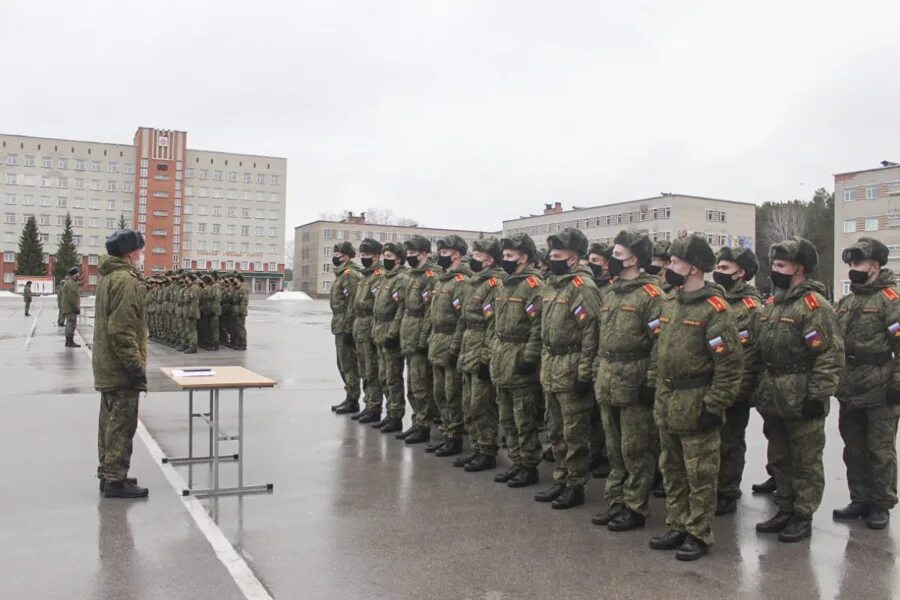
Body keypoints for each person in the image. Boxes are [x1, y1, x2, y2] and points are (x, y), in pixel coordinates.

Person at [650, 234, 742, 561]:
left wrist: (715, 404)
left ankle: (699, 533)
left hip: (697, 400)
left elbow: (729, 364)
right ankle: (676, 524)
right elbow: (658, 351)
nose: (669, 268)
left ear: (693, 269)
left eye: (675, 263)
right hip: (668, 399)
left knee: (700, 473)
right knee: (672, 468)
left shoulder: (714, 309)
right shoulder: (670, 303)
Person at [755, 237, 843, 543]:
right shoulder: (771, 305)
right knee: (779, 456)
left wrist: (818, 396)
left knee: (805, 460)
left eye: (781, 265)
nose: (774, 271)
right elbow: (758, 349)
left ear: (800, 269)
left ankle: (802, 515)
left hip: (802, 393)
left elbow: (829, 355)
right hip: (774, 394)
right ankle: (785, 507)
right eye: (773, 264)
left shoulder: (814, 307)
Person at [592, 230, 662, 532]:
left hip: (634, 378)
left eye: (618, 255)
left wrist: (651, 381)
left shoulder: (650, 295)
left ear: (634, 259)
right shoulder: (609, 292)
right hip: (608, 377)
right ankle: (617, 500)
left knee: (636, 449)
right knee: (614, 447)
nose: (612, 260)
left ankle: (635, 506)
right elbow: (600, 339)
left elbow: (659, 343)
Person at [834, 237, 900, 530]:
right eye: (850, 264)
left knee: (880, 451)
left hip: (881, 387)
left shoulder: (891, 300)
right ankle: (859, 498)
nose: (852, 269)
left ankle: (881, 504)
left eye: (857, 263)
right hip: (850, 387)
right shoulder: (847, 302)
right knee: (854, 448)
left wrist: (897, 382)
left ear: (874, 266)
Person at [535, 228, 601, 510]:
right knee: (556, 430)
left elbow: (591, 333)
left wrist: (585, 373)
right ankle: (561, 478)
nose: (552, 259)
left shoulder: (581, 288)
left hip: (571, 365)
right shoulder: (552, 286)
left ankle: (575, 484)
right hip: (552, 365)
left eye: (558, 255)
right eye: (550, 255)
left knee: (574, 433)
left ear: (574, 258)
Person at [93, 228, 149, 498]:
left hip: (106, 364)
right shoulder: (126, 281)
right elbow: (122, 330)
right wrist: (136, 367)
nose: (142, 254)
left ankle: (108, 472)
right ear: (129, 253)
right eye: (139, 250)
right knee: (122, 424)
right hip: (120, 367)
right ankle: (116, 480)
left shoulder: (107, 277)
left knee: (108, 422)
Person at [491, 234, 545, 487]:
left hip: (520, 355)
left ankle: (529, 464)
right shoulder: (505, 285)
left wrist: (530, 357)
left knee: (524, 417)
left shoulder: (533, 286)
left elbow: (538, 326)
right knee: (507, 416)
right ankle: (516, 461)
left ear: (524, 258)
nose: (505, 261)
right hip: (502, 355)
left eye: (510, 257)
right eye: (505, 256)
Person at [712, 246, 763, 516]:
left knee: (730, 441)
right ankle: (714, 486)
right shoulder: (716, 302)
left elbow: (752, 356)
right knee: (713, 441)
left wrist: (740, 391)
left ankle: (728, 490)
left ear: (741, 273)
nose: (718, 273)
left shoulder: (751, 309)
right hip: (713, 384)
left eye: (725, 269)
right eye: (718, 268)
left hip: (736, 388)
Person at [455, 238, 506, 472]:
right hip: (468, 345)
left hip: (481, 348)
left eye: (478, 256)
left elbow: (493, 325)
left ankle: (487, 449)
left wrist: (486, 357)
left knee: (481, 405)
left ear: (490, 260)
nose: (472, 259)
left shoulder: (494, 284)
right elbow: (463, 319)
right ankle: (476, 447)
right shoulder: (474, 283)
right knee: (468, 403)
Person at [423, 235, 473, 457]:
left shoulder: (462, 282)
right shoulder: (442, 280)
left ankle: (454, 436)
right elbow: (431, 314)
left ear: (457, 255)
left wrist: (455, 347)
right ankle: (446, 432)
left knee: (453, 393)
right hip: (437, 341)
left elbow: (464, 319)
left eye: (444, 252)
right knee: (440, 393)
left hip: (451, 341)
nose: (439, 256)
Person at [398, 236, 440, 444]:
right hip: (409, 334)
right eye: (408, 253)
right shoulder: (411, 276)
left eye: (413, 253)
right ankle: (416, 421)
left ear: (424, 253)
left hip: (419, 337)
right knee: (412, 386)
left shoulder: (430, 277)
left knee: (422, 385)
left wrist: (423, 339)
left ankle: (424, 424)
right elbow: (405, 308)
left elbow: (430, 312)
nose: (409, 257)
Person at [370, 243, 408, 433]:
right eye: (384, 255)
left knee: (393, 377)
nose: (385, 258)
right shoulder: (385, 278)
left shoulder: (400, 279)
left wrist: (393, 333)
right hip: (379, 330)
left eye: (389, 256)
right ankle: (389, 412)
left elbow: (401, 308)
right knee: (383, 376)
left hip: (390, 332)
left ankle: (396, 415)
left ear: (399, 258)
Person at [351, 239, 385, 424]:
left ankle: (374, 406)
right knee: (364, 368)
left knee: (372, 369)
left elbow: (378, 305)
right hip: (360, 325)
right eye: (362, 255)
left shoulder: (379, 275)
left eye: (368, 255)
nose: (364, 258)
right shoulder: (365, 275)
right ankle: (368, 404)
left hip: (370, 324)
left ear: (377, 256)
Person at [330, 243, 363, 414]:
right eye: (335, 254)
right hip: (339, 323)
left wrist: (350, 328)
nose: (336, 257)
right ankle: (350, 396)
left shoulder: (350, 275)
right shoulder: (341, 274)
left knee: (349, 364)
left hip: (346, 324)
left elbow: (353, 303)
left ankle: (353, 399)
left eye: (339, 255)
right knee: (342, 363)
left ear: (348, 257)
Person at [61, 267, 82, 348]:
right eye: (77, 274)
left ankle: (69, 341)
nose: (78, 276)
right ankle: (69, 341)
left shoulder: (70, 282)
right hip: (70, 308)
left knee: (70, 323)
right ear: (73, 275)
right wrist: (75, 307)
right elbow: (72, 296)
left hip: (69, 307)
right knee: (71, 323)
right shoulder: (71, 283)